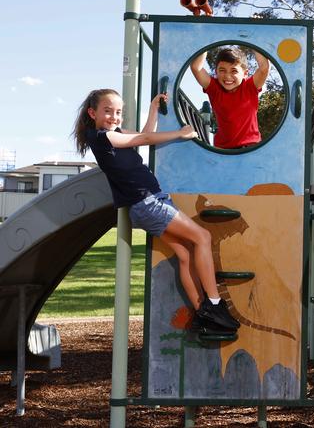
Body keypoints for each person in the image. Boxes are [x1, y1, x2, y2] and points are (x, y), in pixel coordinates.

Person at [73, 88, 240, 334]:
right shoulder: (100, 137)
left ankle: (202, 315)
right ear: (92, 113)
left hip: (147, 204)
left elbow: (144, 135)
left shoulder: (115, 134)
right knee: (203, 237)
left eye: (118, 112)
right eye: (107, 111)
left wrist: (153, 109)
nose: (114, 117)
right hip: (148, 203)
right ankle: (214, 304)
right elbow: (144, 141)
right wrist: (182, 133)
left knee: (184, 254)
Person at [190, 46, 270, 149]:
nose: (227, 76)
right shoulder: (215, 89)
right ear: (216, 72)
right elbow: (196, 68)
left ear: (245, 73)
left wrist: (254, 42)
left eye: (234, 71)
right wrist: (206, 43)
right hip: (223, 150)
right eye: (222, 70)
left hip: (250, 147)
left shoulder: (249, 87)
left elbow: (264, 68)